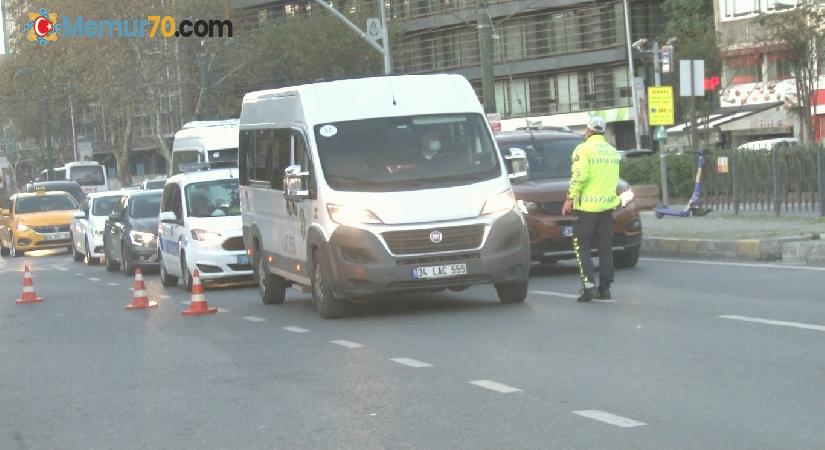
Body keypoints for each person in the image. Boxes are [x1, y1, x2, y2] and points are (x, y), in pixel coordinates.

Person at [561, 117, 621, 302]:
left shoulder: (583, 149)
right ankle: (605, 288)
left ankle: (589, 287)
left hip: (586, 208)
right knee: (605, 248)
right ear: (602, 132)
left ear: (588, 131)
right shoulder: (612, 152)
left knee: (582, 248)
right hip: (606, 207)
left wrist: (570, 197)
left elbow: (580, 175)